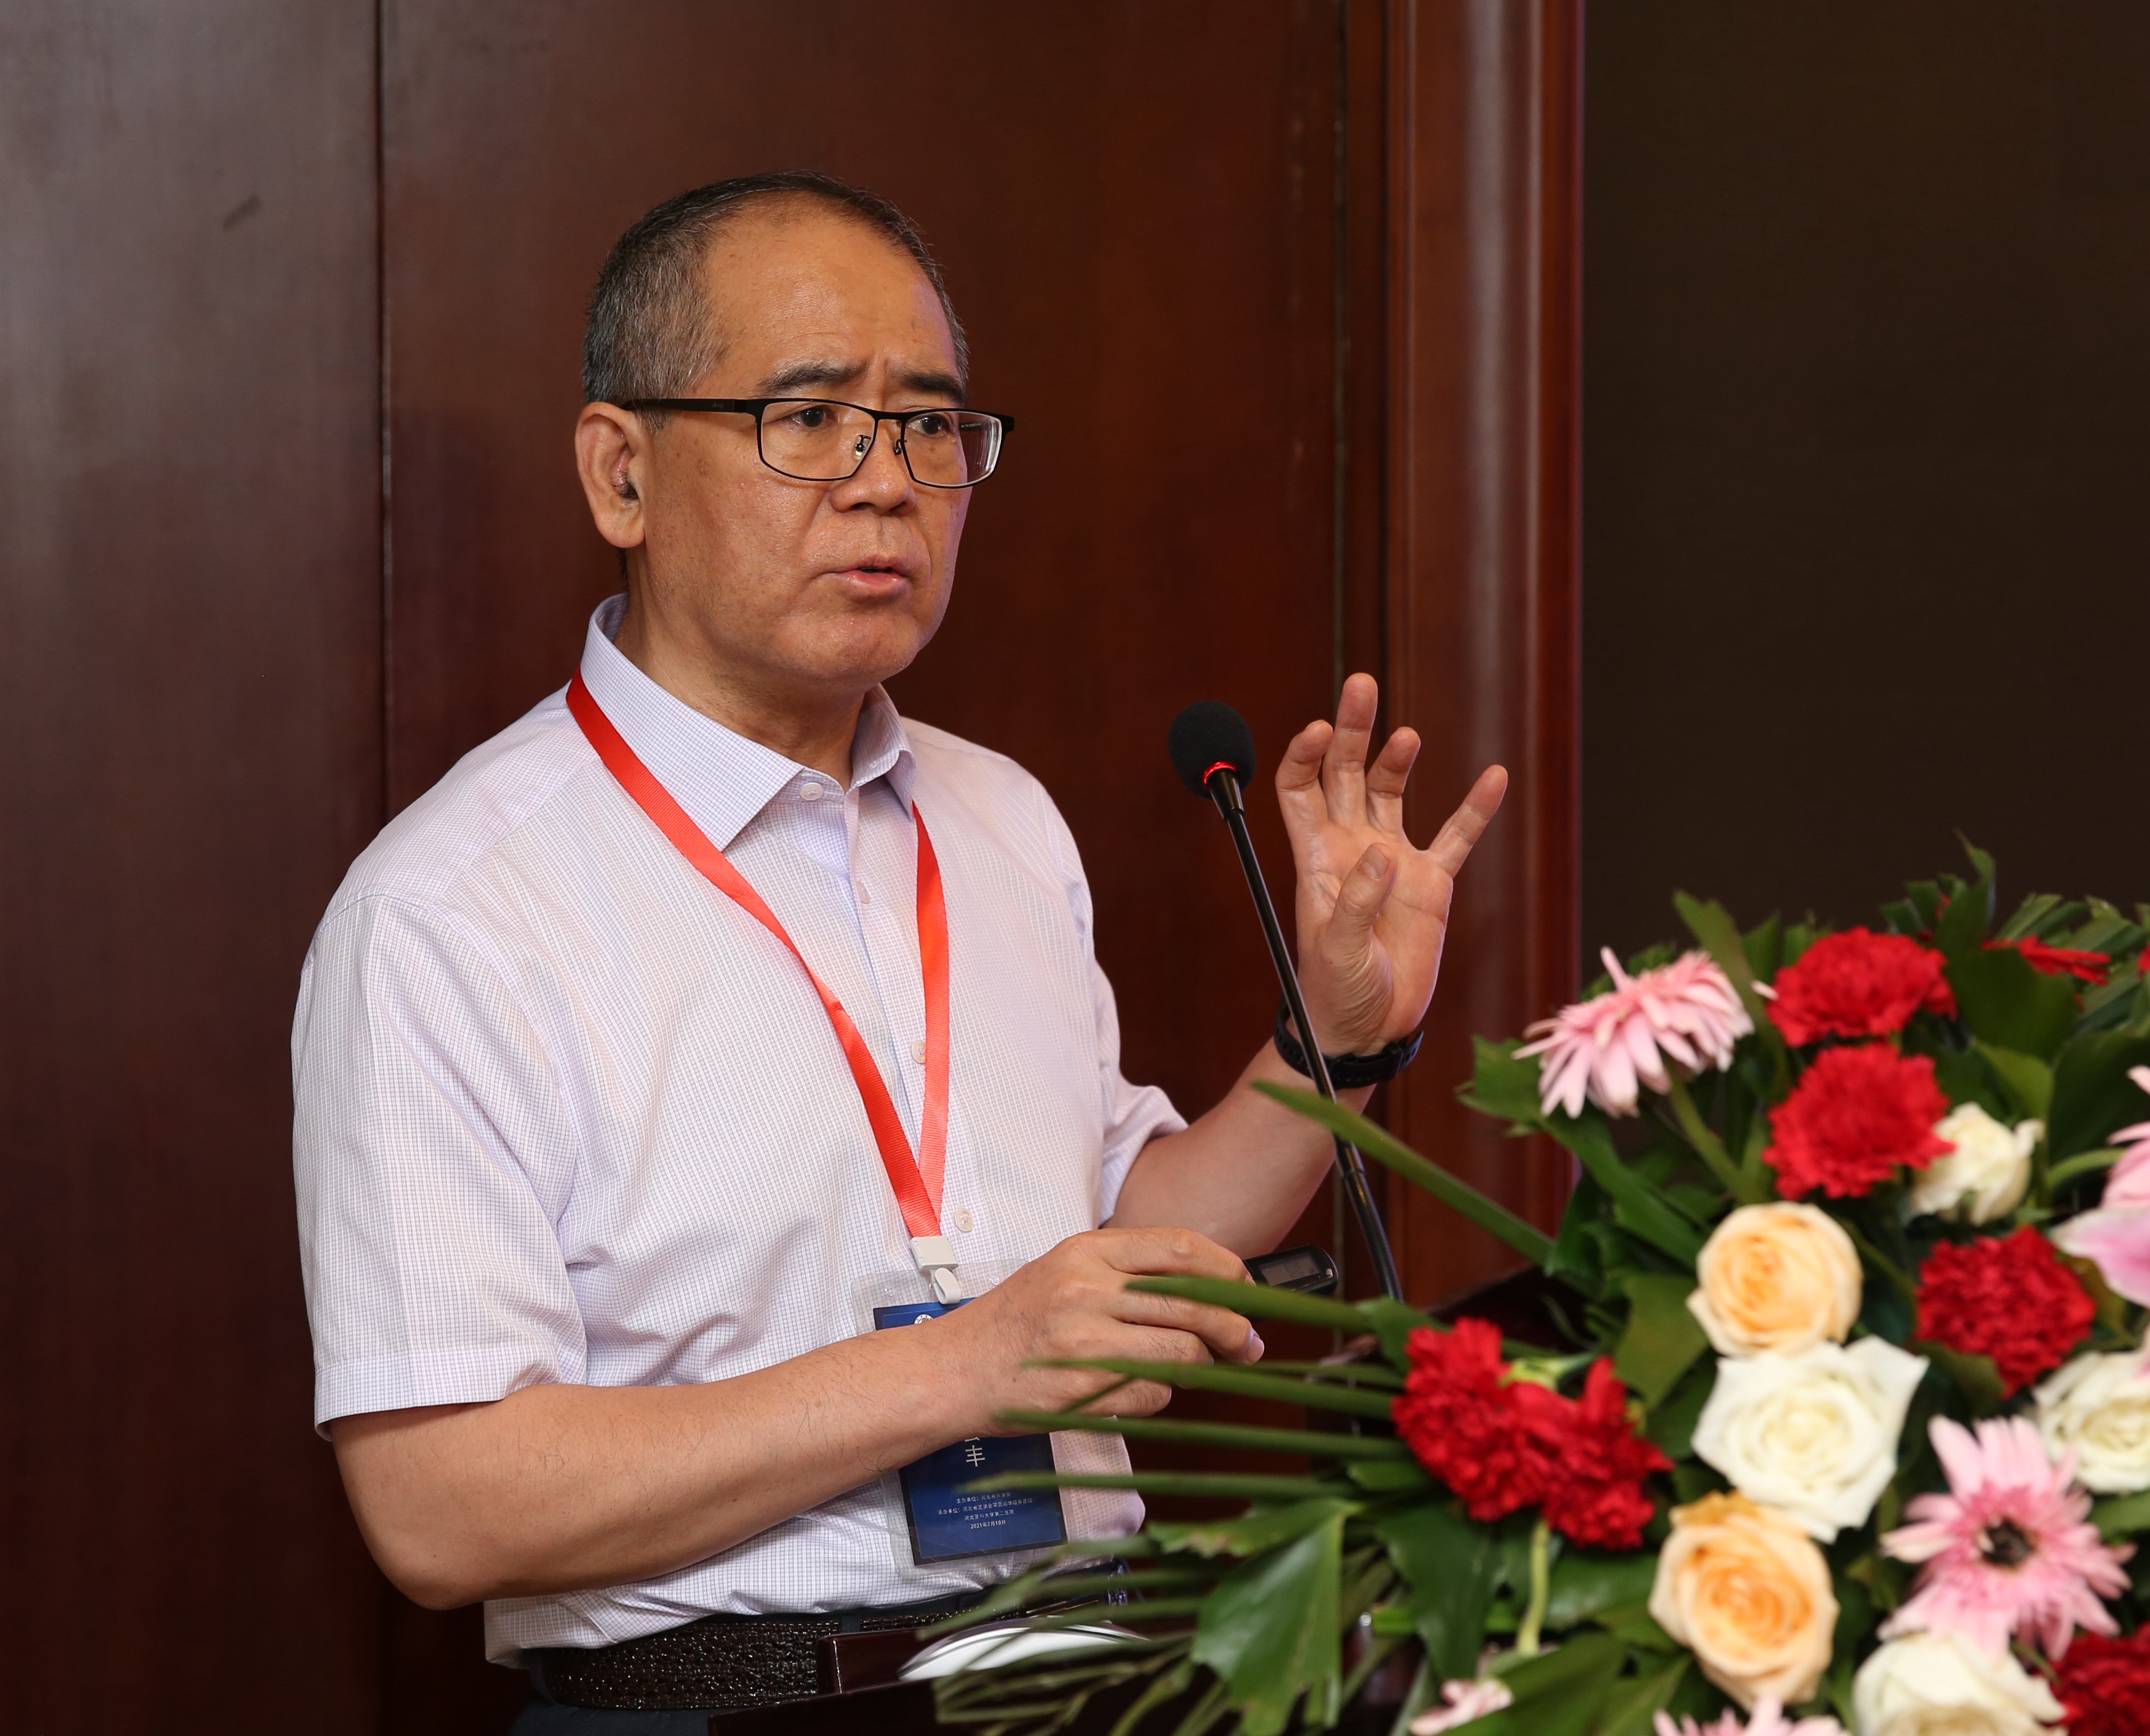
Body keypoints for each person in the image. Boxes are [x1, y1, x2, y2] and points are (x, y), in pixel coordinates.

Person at [291, 171, 1508, 1731]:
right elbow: (441, 1507)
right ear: (621, 473)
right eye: (809, 419)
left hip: (1089, 1682)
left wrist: (1332, 1040)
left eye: (931, 427)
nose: (887, 484)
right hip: (719, 1709)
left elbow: (1124, 1244)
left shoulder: (999, 816)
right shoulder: (452, 910)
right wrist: (962, 1368)